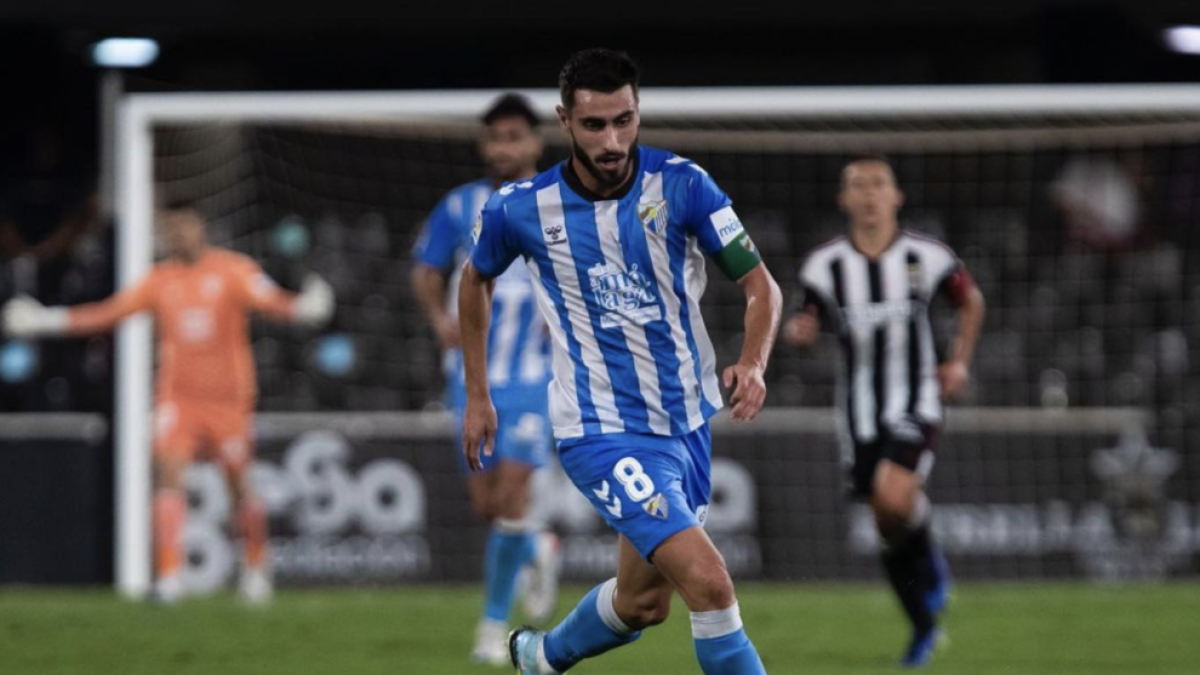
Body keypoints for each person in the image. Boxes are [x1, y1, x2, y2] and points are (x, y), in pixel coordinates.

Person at [460, 49, 782, 675]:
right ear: (564, 121)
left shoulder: (684, 184)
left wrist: (753, 361)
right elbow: (475, 280)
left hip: (685, 424)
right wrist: (479, 393)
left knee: (642, 604)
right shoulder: (519, 207)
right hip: (599, 428)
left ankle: (540, 656)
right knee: (710, 583)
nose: (611, 141)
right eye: (593, 125)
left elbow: (760, 286)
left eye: (623, 121)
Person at [2, 206, 334, 604]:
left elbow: (272, 302)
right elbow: (109, 312)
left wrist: (302, 308)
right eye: (171, 229)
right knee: (167, 476)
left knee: (239, 484)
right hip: (178, 399)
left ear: (201, 228)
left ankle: (255, 567)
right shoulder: (161, 280)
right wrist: (46, 321)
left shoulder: (233, 270)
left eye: (184, 226)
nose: (179, 235)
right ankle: (170, 576)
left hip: (228, 401)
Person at [782, 156, 986, 667]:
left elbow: (971, 302)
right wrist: (799, 333)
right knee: (886, 520)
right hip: (858, 411)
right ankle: (924, 625)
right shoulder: (824, 265)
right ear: (843, 200)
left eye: (879, 184)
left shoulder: (928, 256)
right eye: (858, 185)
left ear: (896, 197)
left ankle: (928, 571)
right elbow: (805, 319)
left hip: (916, 398)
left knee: (892, 496)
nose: (869, 193)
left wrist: (958, 362)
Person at [410, 93, 561, 666]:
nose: (504, 147)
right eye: (495, 138)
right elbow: (426, 269)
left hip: (533, 377)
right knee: (488, 506)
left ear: (535, 141)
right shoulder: (460, 205)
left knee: (513, 495)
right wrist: (438, 319)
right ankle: (538, 547)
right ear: (483, 145)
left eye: (514, 136)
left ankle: (492, 626)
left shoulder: (559, 200)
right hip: (470, 376)